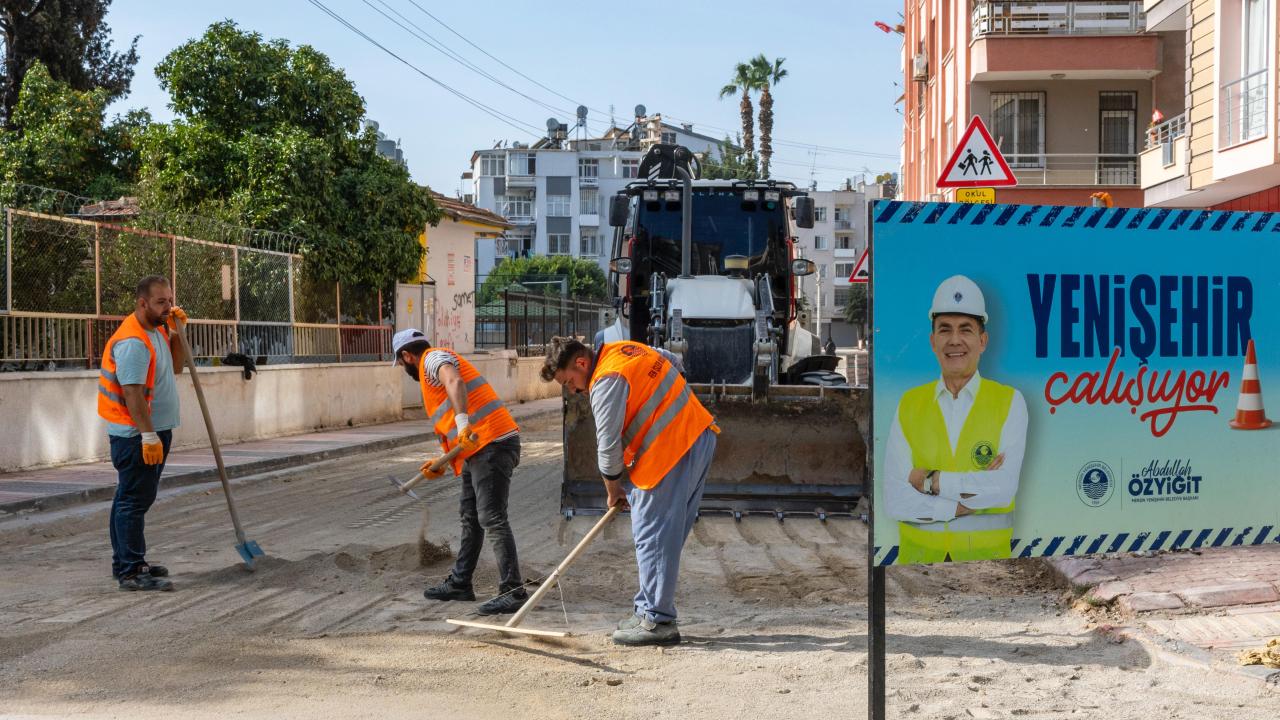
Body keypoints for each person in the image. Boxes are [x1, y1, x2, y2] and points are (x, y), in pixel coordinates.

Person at [541, 337, 717, 646]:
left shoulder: (606, 381)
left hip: (669, 450)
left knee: (651, 535)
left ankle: (658, 620)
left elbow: (608, 451)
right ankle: (646, 608)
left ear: (581, 363)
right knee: (666, 535)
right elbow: (671, 360)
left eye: (569, 381)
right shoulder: (623, 350)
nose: (571, 390)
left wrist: (613, 490)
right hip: (697, 434)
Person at [883, 275, 1028, 563]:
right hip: (917, 570)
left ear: (983, 340)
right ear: (932, 341)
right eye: (945, 329)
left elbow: (1002, 489)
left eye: (966, 329)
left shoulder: (1010, 402)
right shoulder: (910, 404)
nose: (954, 340)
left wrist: (929, 481)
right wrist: (959, 504)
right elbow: (894, 498)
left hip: (990, 571)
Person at [392, 329, 528, 615]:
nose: (405, 369)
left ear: (407, 356)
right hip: (476, 449)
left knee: (491, 517)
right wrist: (440, 463)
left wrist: (465, 424)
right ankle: (460, 582)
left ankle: (513, 590)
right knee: (471, 517)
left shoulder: (432, 358)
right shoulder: (432, 370)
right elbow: (454, 430)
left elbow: (453, 380)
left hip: (492, 443)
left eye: (402, 364)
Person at [98, 275, 188, 591]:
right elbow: (133, 394)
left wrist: (178, 333)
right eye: (161, 302)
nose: (168, 307)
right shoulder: (133, 342)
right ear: (142, 303)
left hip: (155, 430)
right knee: (135, 500)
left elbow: (177, 368)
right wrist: (148, 436)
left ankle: (125, 561)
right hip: (136, 435)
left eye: (170, 300)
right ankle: (132, 570)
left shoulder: (158, 330)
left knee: (129, 497)